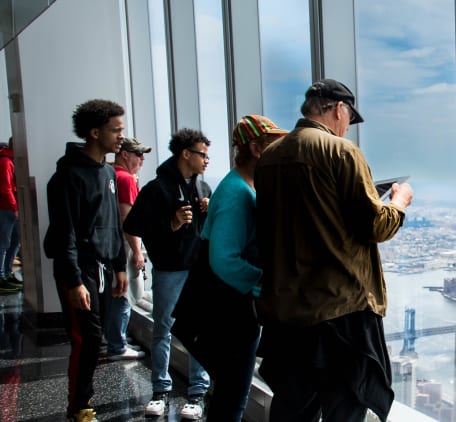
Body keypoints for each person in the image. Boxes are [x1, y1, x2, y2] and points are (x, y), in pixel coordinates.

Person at [254, 79, 414, 422]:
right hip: (339, 310)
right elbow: (376, 226)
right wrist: (399, 203)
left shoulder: (268, 158)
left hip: (287, 309)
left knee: (294, 406)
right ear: (339, 109)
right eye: (348, 119)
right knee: (345, 403)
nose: (346, 128)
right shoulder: (342, 152)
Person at [43, 99, 129, 422]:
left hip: (105, 267)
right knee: (87, 337)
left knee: (97, 337)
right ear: (95, 132)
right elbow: (64, 234)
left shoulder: (108, 171)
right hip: (79, 270)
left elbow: (113, 224)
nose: (121, 136)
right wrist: (75, 280)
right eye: (115, 129)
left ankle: (82, 402)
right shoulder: (66, 177)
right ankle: (79, 407)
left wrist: (119, 264)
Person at [201, 115, 287, 421]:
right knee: (233, 392)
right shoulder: (237, 193)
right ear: (256, 148)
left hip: (231, 304)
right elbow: (224, 259)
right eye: (274, 144)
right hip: (231, 308)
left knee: (231, 389)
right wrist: (263, 282)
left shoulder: (243, 184)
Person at [123, 128, 211, 420]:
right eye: (202, 154)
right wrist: (170, 224)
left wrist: (208, 213)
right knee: (164, 328)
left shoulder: (204, 188)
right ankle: (160, 390)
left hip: (198, 269)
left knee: (198, 331)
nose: (207, 160)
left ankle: (197, 394)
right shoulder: (157, 188)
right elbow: (133, 226)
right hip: (170, 270)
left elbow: (208, 232)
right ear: (186, 154)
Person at [100, 137, 150, 360]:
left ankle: (113, 338)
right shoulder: (125, 179)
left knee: (114, 292)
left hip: (109, 244)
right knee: (124, 294)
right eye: (138, 154)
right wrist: (137, 252)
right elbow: (127, 219)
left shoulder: (110, 174)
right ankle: (117, 345)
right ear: (124, 154)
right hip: (124, 245)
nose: (142, 159)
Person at [0, 137, 21, 294]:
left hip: (12, 208)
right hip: (6, 208)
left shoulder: (11, 160)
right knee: (4, 242)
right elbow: (5, 188)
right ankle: (2, 276)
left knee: (15, 241)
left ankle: (7, 273)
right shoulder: (6, 162)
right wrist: (14, 207)